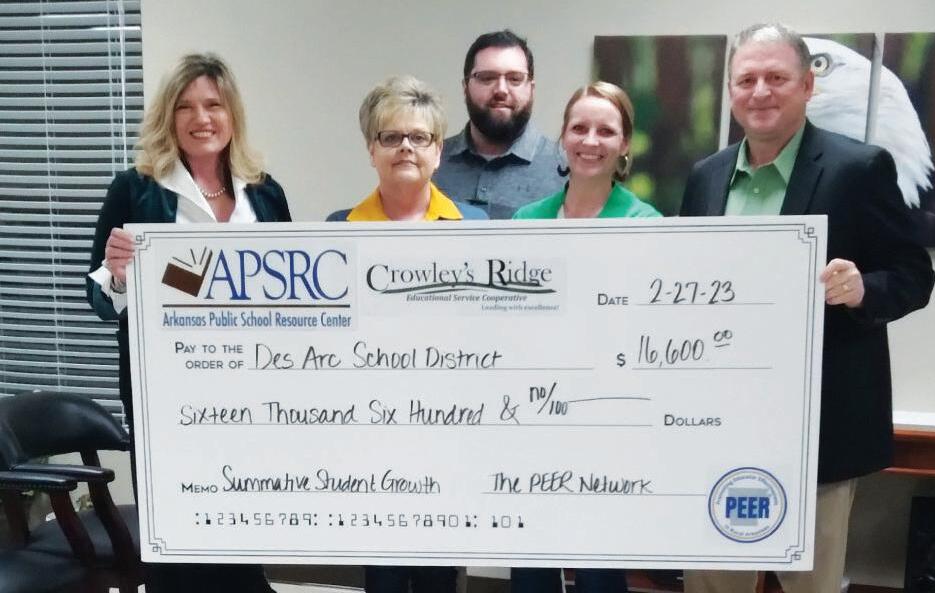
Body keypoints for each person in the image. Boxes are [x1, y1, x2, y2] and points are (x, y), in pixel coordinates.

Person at [680, 24, 935, 593]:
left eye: (776, 77)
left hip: (819, 431)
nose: (760, 92)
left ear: (807, 86)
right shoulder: (705, 178)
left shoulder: (859, 169)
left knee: (809, 585)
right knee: (712, 583)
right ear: (730, 90)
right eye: (746, 79)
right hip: (719, 425)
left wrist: (862, 289)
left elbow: (914, 275)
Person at [86, 52, 289, 593]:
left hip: (250, 391)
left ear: (232, 114)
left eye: (213, 105)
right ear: (168, 117)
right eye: (186, 107)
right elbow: (98, 297)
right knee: (177, 530)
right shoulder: (134, 189)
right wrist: (120, 275)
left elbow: (289, 292)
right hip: (166, 398)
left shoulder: (265, 193)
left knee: (240, 522)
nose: (202, 118)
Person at [327, 75, 485, 592]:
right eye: (391, 137)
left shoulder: (476, 227)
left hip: (451, 426)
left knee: (441, 572)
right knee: (385, 573)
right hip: (370, 430)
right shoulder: (337, 230)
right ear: (371, 150)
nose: (405, 148)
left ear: (438, 150)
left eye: (419, 137)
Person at [511, 81, 659, 593]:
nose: (590, 141)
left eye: (605, 131)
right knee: (531, 560)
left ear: (625, 145)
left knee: (600, 566)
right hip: (534, 415)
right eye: (579, 128)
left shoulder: (647, 225)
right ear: (563, 137)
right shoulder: (526, 222)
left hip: (609, 418)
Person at [433, 30, 564, 219]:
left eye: (515, 79)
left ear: (531, 89)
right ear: (465, 88)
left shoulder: (564, 169)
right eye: (487, 78)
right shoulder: (430, 163)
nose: (501, 90)